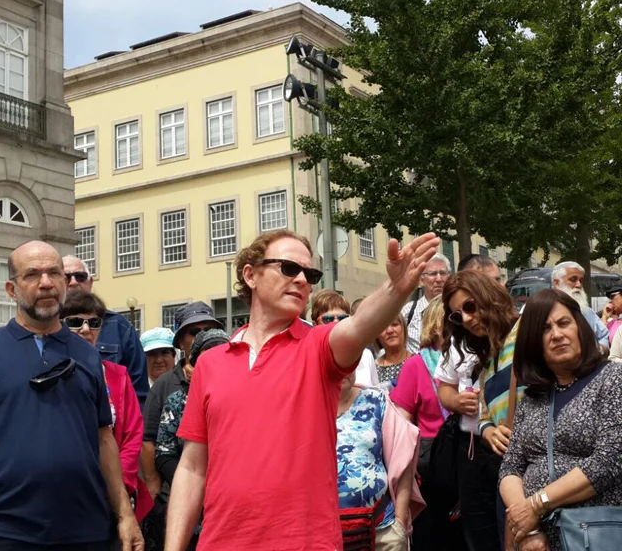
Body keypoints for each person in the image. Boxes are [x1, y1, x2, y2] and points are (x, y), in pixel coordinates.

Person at [164, 228, 440, 551]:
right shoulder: (210, 364)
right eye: (288, 268)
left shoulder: (318, 346)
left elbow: (359, 326)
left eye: (309, 273)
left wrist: (396, 288)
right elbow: (192, 466)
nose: (301, 280)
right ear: (250, 275)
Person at [0, 241, 143, 551]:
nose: (46, 283)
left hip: (85, 530)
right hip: (0, 530)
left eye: (54, 273)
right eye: (32, 274)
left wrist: (125, 515)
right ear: (11, 289)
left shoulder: (88, 357)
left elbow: (104, 439)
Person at [499, 288, 622, 551]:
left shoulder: (612, 379)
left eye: (563, 323)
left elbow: (609, 461)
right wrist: (528, 527)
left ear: (579, 327)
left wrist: (536, 504)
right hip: (536, 540)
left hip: (593, 535)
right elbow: (510, 468)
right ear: (533, 342)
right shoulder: (532, 399)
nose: (556, 334)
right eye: (545, 329)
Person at [442, 270, 520, 551]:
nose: (465, 318)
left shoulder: (529, 331)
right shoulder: (488, 356)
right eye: (456, 315)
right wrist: (488, 430)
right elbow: (485, 410)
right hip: (510, 473)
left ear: (489, 295)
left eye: (470, 306)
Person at [61, 290, 154, 525]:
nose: (85, 329)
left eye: (93, 323)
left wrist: (118, 487)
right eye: (75, 322)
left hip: (111, 496)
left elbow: (133, 434)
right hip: (63, 491)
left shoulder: (118, 375)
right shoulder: (46, 373)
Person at [391, 296, 465, 551]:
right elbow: (401, 422)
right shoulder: (415, 365)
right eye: (452, 319)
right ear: (436, 327)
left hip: (468, 458)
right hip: (432, 469)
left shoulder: (468, 360)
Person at [140, 303, 223, 514]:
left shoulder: (235, 376)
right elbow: (150, 441)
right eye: (194, 331)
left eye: (208, 330)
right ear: (181, 342)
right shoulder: (164, 385)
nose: (201, 335)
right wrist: (154, 486)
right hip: (180, 493)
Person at [155, 329, 231, 551]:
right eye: (210, 356)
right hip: (191, 511)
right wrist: (197, 486)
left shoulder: (249, 399)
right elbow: (164, 453)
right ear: (193, 364)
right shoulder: (177, 401)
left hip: (231, 512)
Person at [336, 369, 424, 551]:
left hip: (382, 528)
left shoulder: (376, 399)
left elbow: (404, 461)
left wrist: (400, 522)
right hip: (326, 535)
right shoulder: (306, 406)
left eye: (346, 361)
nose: (341, 369)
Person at [62, 255, 149, 408]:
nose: (73, 282)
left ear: (90, 282)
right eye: (66, 277)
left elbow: (138, 393)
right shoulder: (45, 325)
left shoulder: (119, 326)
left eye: (80, 276)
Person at [313, 289, 379, 386]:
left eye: (342, 318)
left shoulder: (365, 355)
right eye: (327, 319)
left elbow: (376, 392)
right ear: (315, 324)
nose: (336, 323)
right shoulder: (307, 357)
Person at [551, 261, 609, 351]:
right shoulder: (543, 309)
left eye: (581, 280)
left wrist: (600, 351)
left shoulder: (587, 312)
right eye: (573, 279)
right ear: (557, 283)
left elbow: (604, 335)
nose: (579, 285)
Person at [402, 254, 451, 353]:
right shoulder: (409, 311)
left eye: (442, 273)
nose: (438, 279)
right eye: (433, 274)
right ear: (421, 280)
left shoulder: (457, 308)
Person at [374, 314, 413, 391]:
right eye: (383, 327)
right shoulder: (374, 368)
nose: (389, 331)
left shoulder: (419, 363)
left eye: (394, 324)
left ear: (403, 328)